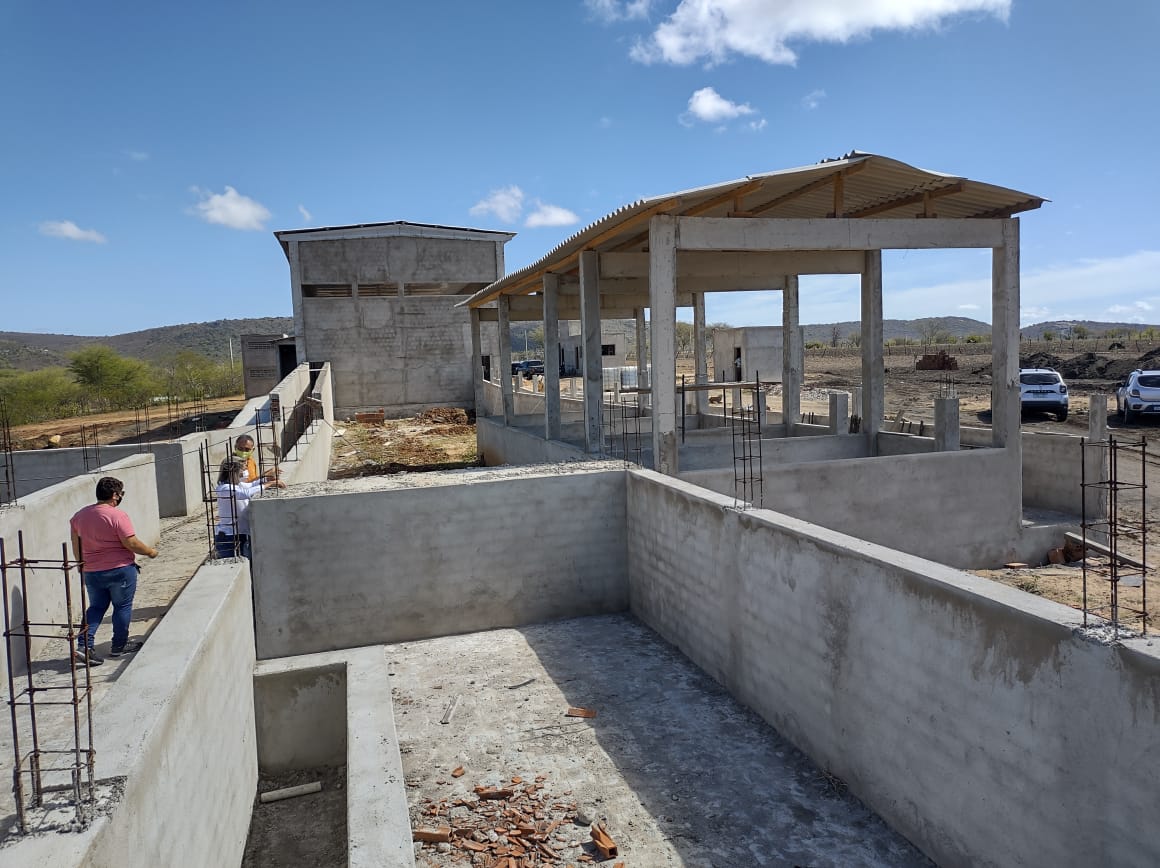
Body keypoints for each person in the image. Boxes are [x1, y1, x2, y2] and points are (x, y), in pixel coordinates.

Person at [69, 476, 158, 666]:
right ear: (115, 495)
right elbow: (131, 542)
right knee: (122, 607)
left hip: (92, 571)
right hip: (120, 570)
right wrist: (150, 552)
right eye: (121, 493)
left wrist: (80, 564)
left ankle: (84, 646)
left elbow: (76, 543)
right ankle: (119, 645)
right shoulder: (118, 516)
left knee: (96, 607)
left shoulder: (79, 516)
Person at [215, 458, 285, 559]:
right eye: (243, 470)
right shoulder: (224, 488)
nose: (244, 472)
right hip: (229, 537)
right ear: (234, 471)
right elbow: (246, 493)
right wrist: (269, 484)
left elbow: (252, 485)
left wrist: (267, 479)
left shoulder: (237, 485)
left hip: (240, 533)